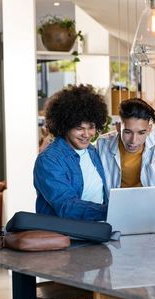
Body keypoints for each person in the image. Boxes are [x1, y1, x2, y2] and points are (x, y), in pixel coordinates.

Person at [96, 98, 155, 228]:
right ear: (117, 127)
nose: (134, 140)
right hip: (118, 216)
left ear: (149, 129)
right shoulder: (103, 144)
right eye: (127, 132)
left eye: (141, 132)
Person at [33, 84, 109, 221]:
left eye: (91, 127)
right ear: (65, 126)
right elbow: (67, 207)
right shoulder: (49, 160)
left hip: (98, 231)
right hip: (65, 237)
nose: (86, 134)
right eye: (79, 128)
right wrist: (111, 210)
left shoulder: (92, 152)